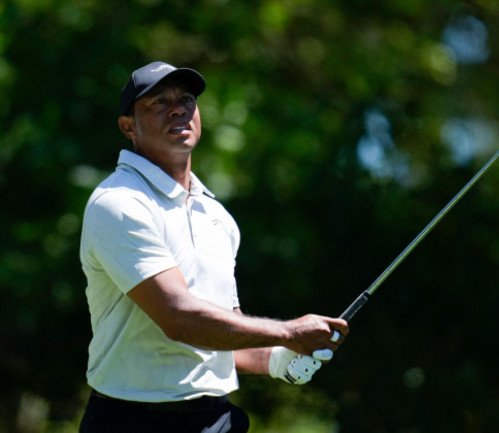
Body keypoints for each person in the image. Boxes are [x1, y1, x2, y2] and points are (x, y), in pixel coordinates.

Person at [78, 61, 349, 433]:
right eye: (158, 102)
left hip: (213, 421)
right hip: (130, 420)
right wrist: (288, 333)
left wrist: (280, 358)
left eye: (186, 99)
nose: (177, 109)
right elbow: (180, 318)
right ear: (129, 127)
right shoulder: (120, 202)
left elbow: (222, 333)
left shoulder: (216, 215)